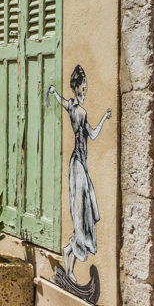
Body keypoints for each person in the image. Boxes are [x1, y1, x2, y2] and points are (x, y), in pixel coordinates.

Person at [46, 65, 111, 279]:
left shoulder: (71, 106)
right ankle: (70, 261)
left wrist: (53, 92)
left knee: (81, 213)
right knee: (83, 212)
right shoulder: (81, 112)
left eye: (86, 89)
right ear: (77, 88)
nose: (85, 92)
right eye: (83, 89)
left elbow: (61, 100)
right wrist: (105, 118)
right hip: (79, 165)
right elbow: (91, 135)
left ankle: (69, 254)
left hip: (77, 164)